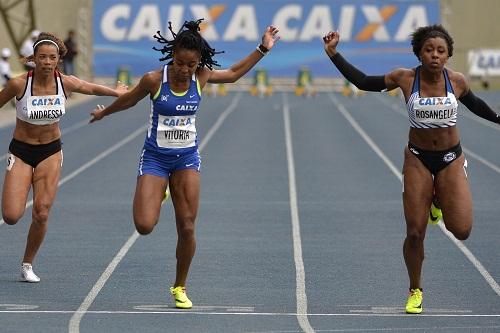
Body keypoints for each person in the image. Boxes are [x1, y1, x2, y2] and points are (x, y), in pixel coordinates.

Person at [89, 19, 280, 309]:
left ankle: (179, 285)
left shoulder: (201, 77)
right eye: (180, 63)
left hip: (186, 159)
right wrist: (105, 113)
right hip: (155, 158)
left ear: (198, 62)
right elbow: (129, 100)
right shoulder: (154, 80)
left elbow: (233, 74)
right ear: (172, 56)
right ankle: (161, 190)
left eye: (191, 65)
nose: (184, 70)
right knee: (144, 225)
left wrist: (262, 49)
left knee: (187, 227)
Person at [323, 25, 500, 314]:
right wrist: (334, 55)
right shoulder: (404, 78)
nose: (434, 55)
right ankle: (415, 289)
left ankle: (438, 200)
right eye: (429, 50)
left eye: (441, 51)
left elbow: (476, 105)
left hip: (450, 159)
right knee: (415, 232)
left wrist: (498, 119)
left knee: (462, 230)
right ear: (418, 53)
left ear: (448, 56)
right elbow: (364, 82)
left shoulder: (457, 81)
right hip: (417, 158)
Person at [0, 32, 128, 283]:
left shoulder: (64, 82)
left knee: (42, 212)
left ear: (58, 59)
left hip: (50, 151)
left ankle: (27, 264)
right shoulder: (19, 85)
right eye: (42, 57)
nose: (47, 62)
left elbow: (89, 87)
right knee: (12, 216)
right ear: (33, 59)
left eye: (52, 57)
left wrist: (116, 92)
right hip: (21, 151)